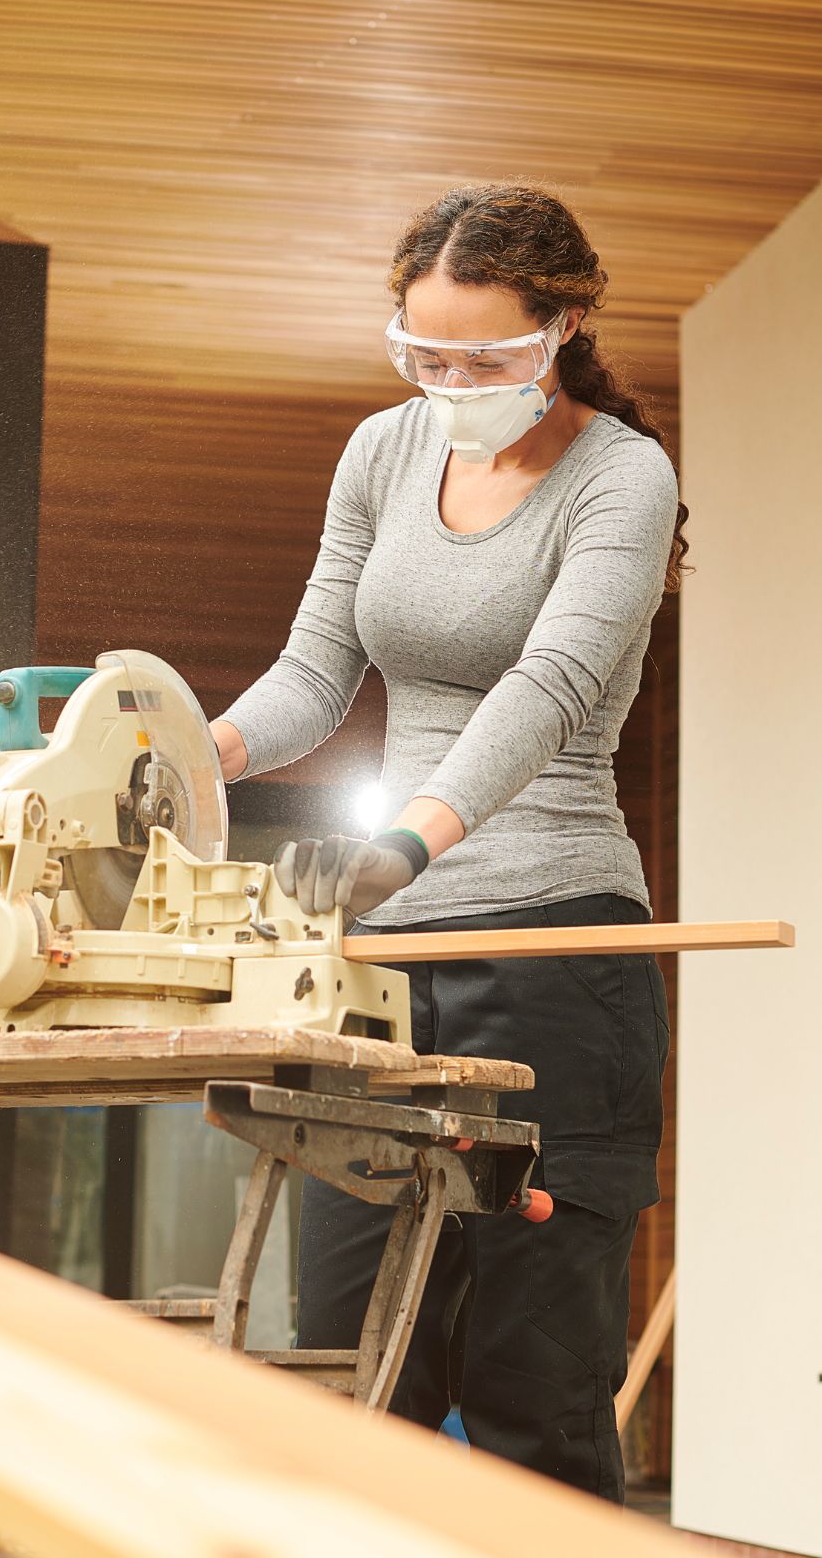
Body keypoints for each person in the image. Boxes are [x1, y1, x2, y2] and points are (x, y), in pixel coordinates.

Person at [211, 183, 686, 1501]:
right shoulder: (382, 453)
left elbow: (553, 687)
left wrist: (406, 847)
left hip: (552, 962)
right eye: (426, 354)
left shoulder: (621, 477)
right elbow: (315, 670)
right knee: (355, 1377)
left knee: (531, 1390)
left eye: (485, 358)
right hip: (378, 986)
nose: (452, 383)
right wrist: (188, 751)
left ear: (564, 324)